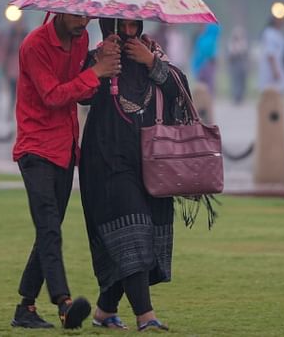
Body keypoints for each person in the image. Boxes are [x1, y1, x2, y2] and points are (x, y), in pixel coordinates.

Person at [80, 18, 194, 332]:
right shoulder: (97, 58)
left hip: (152, 162)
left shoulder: (153, 54)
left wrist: (151, 62)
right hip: (107, 162)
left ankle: (105, 310)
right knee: (133, 232)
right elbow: (81, 94)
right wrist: (100, 65)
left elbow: (179, 90)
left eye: (133, 24)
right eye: (121, 25)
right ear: (107, 25)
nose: (128, 31)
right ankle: (146, 316)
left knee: (143, 236)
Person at [9, 12, 119, 330]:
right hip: (35, 149)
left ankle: (25, 307)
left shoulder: (81, 39)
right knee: (49, 230)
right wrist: (94, 71)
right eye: (77, 16)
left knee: (49, 229)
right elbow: (52, 95)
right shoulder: (34, 45)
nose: (84, 22)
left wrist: (97, 64)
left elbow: (80, 95)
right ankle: (63, 303)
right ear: (59, 10)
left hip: (65, 148)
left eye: (87, 16)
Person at [258, 12, 284, 94]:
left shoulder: (278, 34)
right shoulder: (270, 33)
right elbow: (270, 54)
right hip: (272, 72)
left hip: (279, 68)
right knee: (271, 96)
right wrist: (275, 71)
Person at [3, 19, 28, 117]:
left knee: (22, 94)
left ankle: (19, 113)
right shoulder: (10, 38)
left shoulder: (26, 36)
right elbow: (5, 53)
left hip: (22, 70)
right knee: (12, 93)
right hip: (12, 70)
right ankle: (10, 113)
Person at [191, 24, 220, 93]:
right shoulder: (211, 39)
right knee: (209, 84)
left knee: (202, 84)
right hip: (206, 64)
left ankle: (202, 99)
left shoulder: (202, 38)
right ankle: (206, 99)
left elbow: (198, 51)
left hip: (202, 64)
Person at [226, 26, 249, 104]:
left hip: (242, 64)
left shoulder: (243, 42)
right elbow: (231, 54)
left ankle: (241, 96)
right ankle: (236, 96)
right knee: (235, 81)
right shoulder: (231, 44)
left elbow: (244, 53)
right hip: (234, 64)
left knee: (242, 81)